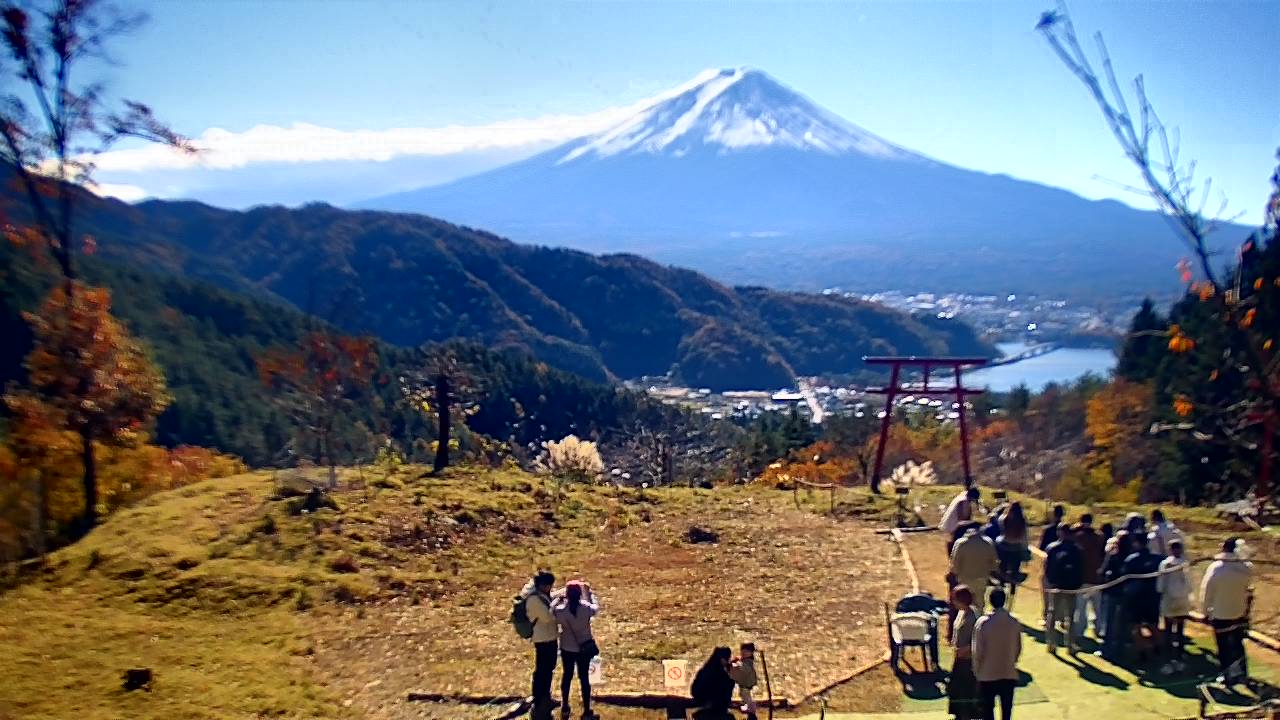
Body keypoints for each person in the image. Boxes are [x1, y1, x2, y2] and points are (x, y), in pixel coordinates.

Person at [1201, 537, 1254, 686]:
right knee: (1238, 644)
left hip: (1220, 613)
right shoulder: (1246, 568)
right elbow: (1249, 590)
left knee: (1223, 645)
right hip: (1239, 612)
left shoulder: (1216, 568)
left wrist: (1205, 612)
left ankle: (1227, 675)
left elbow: (1207, 592)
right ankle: (1242, 673)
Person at [553, 581, 600, 720]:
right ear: (580, 594)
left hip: (567, 647)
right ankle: (586, 710)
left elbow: (551, 611)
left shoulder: (561, 611)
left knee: (567, 676)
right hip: (583, 647)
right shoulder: (586, 608)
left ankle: (565, 706)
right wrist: (590, 595)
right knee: (584, 678)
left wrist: (557, 599)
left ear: (566, 595)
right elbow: (596, 608)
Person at [973, 588, 1021, 720]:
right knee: (1006, 711)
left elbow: (977, 650)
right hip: (1008, 672)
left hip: (987, 674)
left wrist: (977, 672)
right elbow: (1018, 647)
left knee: (987, 711)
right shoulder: (1014, 622)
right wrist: (1012, 662)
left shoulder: (983, 623)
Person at [1121, 533, 1163, 664]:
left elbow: (1125, 578)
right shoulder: (1157, 559)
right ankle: (1157, 648)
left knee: (1136, 626)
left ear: (1136, 543)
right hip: (1152, 597)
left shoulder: (1131, 560)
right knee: (1153, 624)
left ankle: (1142, 652)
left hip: (1136, 598)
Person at [522, 571, 559, 720]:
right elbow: (548, 617)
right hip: (542, 639)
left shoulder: (542, 596)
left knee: (549, 669)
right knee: (542, 670)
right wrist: (557, 604)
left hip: (550, 637)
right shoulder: (533, 600)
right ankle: (539, 700)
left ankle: (546, 697)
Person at [1043, 525, 1084, 655]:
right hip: (1071, 587)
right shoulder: (1077, 549)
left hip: (1056, 586)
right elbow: (1080, 570)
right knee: (1070, 617)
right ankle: (1070, 645)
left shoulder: (1052, 548)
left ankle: (1051, 643)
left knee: (1052, 614)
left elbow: (1047, 568)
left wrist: (1050, 583)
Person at [1157, 540, 1191, 675]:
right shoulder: (1185, 563)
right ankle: (1179, 660)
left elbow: (1160, 585)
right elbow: (1189, 585)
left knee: (1168, 631)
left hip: (1169, 601)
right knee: (1180, 631)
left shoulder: (1165, 564)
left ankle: (1169, 662)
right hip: (1182, 601)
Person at [947, 585, 981, 720]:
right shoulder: (962, 613)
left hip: (968, 660)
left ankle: (966, 715)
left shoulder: (972, 617)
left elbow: (976, 640)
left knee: (965, 691)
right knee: (957, 689)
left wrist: (963, 650)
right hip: (960, 658)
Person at [952, 522, 1000, 613]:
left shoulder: (960, 543)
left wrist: (956, 574)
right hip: (981, 579)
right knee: (979, 604)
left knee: (964, 604)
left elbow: (955, 564)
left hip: (964, 579)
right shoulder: (987, 543)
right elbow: (994, 564)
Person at [1072, 515, 1106, 638]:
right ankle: (1099, 630)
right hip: (1096, 576)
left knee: (1081, 607)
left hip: (1082, 577)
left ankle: (1080, 631)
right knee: (1097, 607)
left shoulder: (1078, 537)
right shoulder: (1099, 537)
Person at [1099, 530, 1130, 662]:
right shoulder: (1130, 556)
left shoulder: (1114, 555)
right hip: (1126, 594)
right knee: (1122, 623)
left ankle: (1107, 650)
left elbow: (1103, 570)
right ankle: (1120, 650)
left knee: (1110, 622)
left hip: (1112, 593)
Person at [690, 647, 736, 719]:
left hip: (708, 707)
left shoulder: (705, 670)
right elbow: (726, 689)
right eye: (727, 658)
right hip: (715, 710)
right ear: (722, 659)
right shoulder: (719, 673)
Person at [996, 502, 1029, 593]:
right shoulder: (1022, 520)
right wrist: (1025, 548)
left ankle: (1001, 583)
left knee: (1003, 565)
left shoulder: (1004, 518)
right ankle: (1013, 586)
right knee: (1015, 568)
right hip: (1017, 547)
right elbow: (1024, 536)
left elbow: (1000, 527)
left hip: (1005, 544)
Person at [942, 487, 982, 554]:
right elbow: (962, 519)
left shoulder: (964, 498)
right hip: (954, 525)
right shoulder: (963, 501)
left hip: (956, 525)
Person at [729, 643, 759, 720]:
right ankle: (749, 707)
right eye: (743, 651)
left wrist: (736, 663)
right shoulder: (744, 660)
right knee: (743, 694)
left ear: (751, 653)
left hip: (747, 682)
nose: (744, 653)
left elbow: (743, 668)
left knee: (746, 695)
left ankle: (751, 709)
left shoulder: (748, 661)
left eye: (746, 651)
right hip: (745, 681)